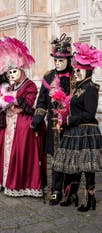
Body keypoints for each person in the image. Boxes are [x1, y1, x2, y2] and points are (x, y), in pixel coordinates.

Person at [0, 37, 45, 197]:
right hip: (8, 123)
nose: (11, 74)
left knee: (19, 153)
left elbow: (30, 105)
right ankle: (4, 181)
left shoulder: (29, 85)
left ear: (22, 70)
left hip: (22, 123)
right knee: (3, 152)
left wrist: (14, 99)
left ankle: (18, 183)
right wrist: (1, 103)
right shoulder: (10, 85)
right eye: (10, 72)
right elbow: (4, 100)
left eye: (14, 71)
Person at [52, 42, 102, 211]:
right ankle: (69, 195)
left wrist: (69, 121)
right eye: (77, 69)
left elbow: (89, 114)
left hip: (86, 131)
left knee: (87, 168)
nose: (77, 72)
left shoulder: (91, 88)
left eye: (80, 69)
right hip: (73, 132)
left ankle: (90, 200)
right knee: (72, 165)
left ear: (88, 70)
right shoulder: (78, 87)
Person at [31, 33, 73, 205]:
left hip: (71, 125)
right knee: (55, 160)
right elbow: (41, 100)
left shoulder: (75, 76)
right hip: (53, 127)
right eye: (55, 60)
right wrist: (37, 119)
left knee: (70, 159)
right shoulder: (49, 77)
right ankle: (55, 191)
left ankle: (69, 190)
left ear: (69, 60)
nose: (58, 64)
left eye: (61, 61)